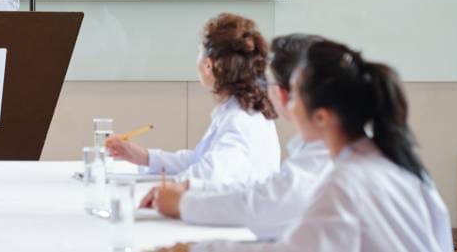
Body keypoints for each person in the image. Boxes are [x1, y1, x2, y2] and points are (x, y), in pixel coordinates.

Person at [165, 40, 453, 252]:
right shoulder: (392, 162)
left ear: (322, 117)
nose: (287, 103)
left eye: (295, 95)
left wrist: (197, 248)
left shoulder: (346, 181)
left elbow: (288, 239)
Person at [140, 34, 332, 241]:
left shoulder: (325, 157)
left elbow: (263, 204)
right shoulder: (317, 147)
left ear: (282, 93)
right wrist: (192, 188)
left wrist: (183, 203)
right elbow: (259, 189)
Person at [106, 13, 281, 186]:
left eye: (199, 52)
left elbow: (209, 173)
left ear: (208, 66)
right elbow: (199, 160)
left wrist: (168, 190)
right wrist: (144, 157)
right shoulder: (242, 109)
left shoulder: (238, 120)